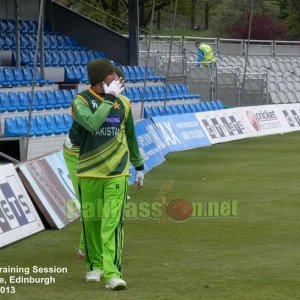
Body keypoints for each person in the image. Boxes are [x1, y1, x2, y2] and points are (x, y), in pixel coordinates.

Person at [71, 58, 144, 290]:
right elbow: (92, 124)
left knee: (112, 224)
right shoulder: (80, 101)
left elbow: (131, 136)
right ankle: (94, 266)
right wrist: (109, 99)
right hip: (88, 172)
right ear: (101, 78)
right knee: (91, 223)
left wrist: (139, 165)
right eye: (113, 76)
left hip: (117, 172)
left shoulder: (124, 102)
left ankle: (113, 274)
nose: (118, 80)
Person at [63, 66, 127, 260]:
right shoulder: (84, 101)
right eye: (115, 81)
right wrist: (110, 99)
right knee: (88, 205)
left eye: (120, 82)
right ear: (103, 82)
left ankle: (94, 247)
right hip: (76, 154)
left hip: (95, 157)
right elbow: (93, 123)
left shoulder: (115, 100)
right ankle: (86, 246)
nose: (119, 86)